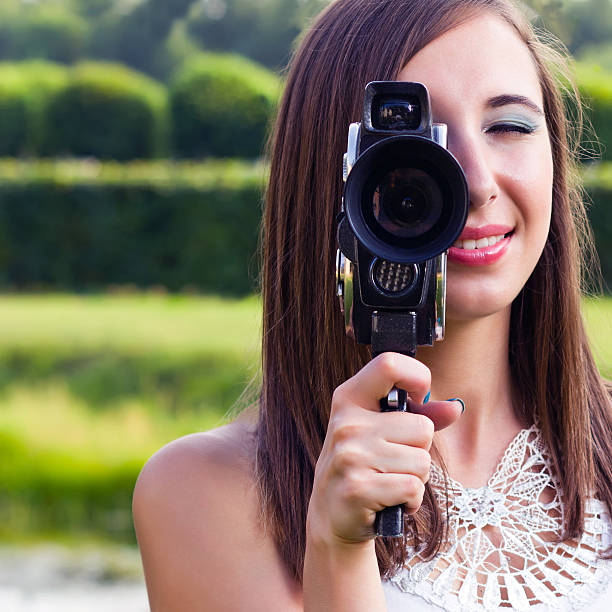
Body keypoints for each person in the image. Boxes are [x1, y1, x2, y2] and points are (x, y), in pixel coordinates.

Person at [132, 0, 612, 610]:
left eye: (510, 126)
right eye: (419, 144)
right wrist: (336, 549)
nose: (477, 181)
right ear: (335, 178)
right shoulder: (205, 491)